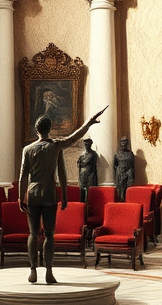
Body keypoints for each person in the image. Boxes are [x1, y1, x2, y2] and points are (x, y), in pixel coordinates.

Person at [19, 107, 106, 284]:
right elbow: (74, 138)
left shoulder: (28, 149)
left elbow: (22, 177)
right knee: (49, 234)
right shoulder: (56, 146)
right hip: (50, 194)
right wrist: (88, 122)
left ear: (37, 130)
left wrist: (21, 198)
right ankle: (49, 272)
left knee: (33, 234)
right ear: (49, 129)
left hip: (33, 194)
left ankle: (33, 270)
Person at [77, 138, 98, 203]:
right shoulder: (82, 155)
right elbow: (78, 164)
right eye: (85, 143)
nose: (86, 144)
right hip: (82, 174)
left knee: (90, 192)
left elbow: (94, 165)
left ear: (90, 144)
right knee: (82, 191)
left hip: (90, 174)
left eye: (87, 143)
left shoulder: (93, 154)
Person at [114, 137, 135, 202]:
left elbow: (133, 164)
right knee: (121, 189)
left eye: (125, 142)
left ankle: (128, 200)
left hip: (129, 172)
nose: (124, 144)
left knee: (129, 186)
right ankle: (121, 200)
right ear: (120, 144)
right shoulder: (117, 155)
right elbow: (115, 165)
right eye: (122, 142)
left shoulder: (130, 154)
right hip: (120, 172)